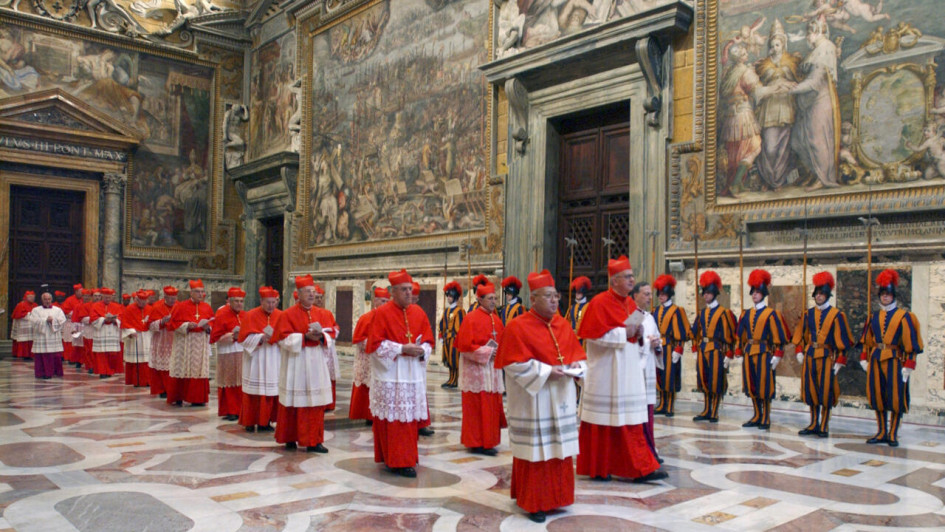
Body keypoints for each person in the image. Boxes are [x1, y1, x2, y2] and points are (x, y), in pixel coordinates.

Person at [495, 269, 586, 523]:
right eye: (548, 296)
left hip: (561, 396)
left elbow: (578, 356)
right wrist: (546, 371)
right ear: (533, 299)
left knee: (559, 448)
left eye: (556, 296)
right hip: (535, 400)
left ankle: (558, 498)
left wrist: (578, 370)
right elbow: (512, 364)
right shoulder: (517, 327)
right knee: (537, 451)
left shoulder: (562, 324)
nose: (555, 301)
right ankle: (534, 501)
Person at [576, 256, 665, 483]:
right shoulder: (599, 303)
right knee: (604, 423)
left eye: (632, 276)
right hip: (607, 372)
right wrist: (624, 333)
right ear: (614, 280)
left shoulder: (631, 305)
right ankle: (600, 467)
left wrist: (642, 336)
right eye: (628, 277)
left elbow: (637, 335)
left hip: (628, 372)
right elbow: (593, 336)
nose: (632, 280)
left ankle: (639, 467)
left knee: (630, 422)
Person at [367, 269, 434, 478]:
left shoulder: (419, 313)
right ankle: (395, 459)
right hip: (392, 375)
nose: (408, 293)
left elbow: (429, 341)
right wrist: (401, 349)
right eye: (403, 290)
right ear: (393, 291)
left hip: (412, 374)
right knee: (394, 422)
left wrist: (423, 349)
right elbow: (375, 346)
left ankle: (406, 458)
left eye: (410, 289)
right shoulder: (382, 313)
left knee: (408, 421)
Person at [859, 269, 923, 447]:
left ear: (893, 296)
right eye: (883, 295)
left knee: (895, 397)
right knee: (877, 396)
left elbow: (911, 344)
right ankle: (881, 431)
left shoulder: (905, 317)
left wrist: (909, 365)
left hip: (896, 361)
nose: (885, 298)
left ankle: (893, 433)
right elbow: (867, 340)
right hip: (877, 359)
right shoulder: (873, 317)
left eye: (888, 295)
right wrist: (864, 358)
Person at [272, 275, 333, 453]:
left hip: (315, 361)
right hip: (296, 362)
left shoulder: (322, 313)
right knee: (293, 401)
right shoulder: (288, 314)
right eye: (308, 292)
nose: (312, 295)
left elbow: (332, 334)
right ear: (298, 294)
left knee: (315, 402)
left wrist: (322, 336)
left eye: (313, 292)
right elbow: (281, 339)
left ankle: (314, 441)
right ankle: (290, 437)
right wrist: (304, 337)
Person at [793, 271, 853, 437]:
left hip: (827, 357)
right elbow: (800, 336)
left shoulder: (837, 315)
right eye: (817, 294)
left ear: (827, 295)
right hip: (810, 355)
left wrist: (840, 361)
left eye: (822, 294)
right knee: (810, 390)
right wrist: (799, 351)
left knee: (826, 391)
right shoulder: (808, 314)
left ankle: (824, 425)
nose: (819, 296)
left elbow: (843, 341)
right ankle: (813, 423)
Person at [788, 16, 841, 192]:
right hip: (809, 103)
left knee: (818, 141)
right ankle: (813, 172)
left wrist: (790, 89)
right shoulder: (816, 50)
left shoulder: (825, 49)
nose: (807, 38)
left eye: (809, 34)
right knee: (799, 140)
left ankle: (823, 177)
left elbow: (814, 82)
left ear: (817, 32)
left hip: (819, 101)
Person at [455, 282, 507, 456]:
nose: (493, 302)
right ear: (480, 299)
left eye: (495, 298)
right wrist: (487, 352)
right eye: (490, 298)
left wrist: (499, 352)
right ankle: (476, 442)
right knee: (477, 408)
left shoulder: (497, 319)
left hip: (492, 372)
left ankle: (489, 441)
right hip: (476, 372)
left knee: (491, 406)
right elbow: (464, 347)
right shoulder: (471, 318)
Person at [734, 269, 791, 430]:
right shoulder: (745, 314)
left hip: (764, 353)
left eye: (758, 292)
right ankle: (757, 414)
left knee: (764, 386)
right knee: (751, 386)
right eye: (753, 292)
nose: (754, 295)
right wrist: (739, 352)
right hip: (749, 352)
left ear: (763, 294)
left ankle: (766, 416)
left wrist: (778, 355)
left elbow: (779, 337)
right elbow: (741, 335)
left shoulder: (772, 314)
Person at [690, 271, 737, 422]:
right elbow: (695, 333)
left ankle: (714, 411)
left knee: (715, 381)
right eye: (704, 293)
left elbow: (730, 336)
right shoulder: (702, 313)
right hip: (703, 349)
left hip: (717, 350)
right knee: (703, 380)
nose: (705, 296)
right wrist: (694, 348)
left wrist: (729, 354)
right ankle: (706, 409)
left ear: (714, 294)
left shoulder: (724, 313)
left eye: (708, 293)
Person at [238, 286, 283, 433]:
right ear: (261, 301)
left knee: (270, 392)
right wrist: (260, 337)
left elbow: (286, 336)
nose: (271, 306)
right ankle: (250, 421)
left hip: (273, 357)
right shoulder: (251, 315)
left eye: (274, 302)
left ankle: (266, 421)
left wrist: (278, 339)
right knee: (254, 392)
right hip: (256, 358)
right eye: (268, 302)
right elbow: (243, 339)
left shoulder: (280, 315)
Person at [167, 280, 213, 407]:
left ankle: (197, 398)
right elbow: (173, 324)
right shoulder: (180, 306)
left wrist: (208, 328)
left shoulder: (207, 307)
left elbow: (213, 323)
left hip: (200, 342)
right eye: (197, 292)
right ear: (191, 293)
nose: (200, 294)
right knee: (181, 367)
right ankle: (179, 396)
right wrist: (187, 325)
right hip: (184, 342)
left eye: (202, 292)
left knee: (198, 369)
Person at [349, 287, 389, 424]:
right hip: (368, 358)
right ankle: (368, 415)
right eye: (383, 301)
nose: (385, 304)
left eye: (387, 301)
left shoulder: (390, 318)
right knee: (367, 384)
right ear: (375, 301)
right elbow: (359, 340)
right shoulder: (366, 318)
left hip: (384, 359)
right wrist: (376, 345)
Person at [632, 282, 662, 462]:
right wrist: (646, 344)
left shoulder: (650, 317)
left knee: (649, 410)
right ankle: (644, 450)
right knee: (641, 411)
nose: (650, 298)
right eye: (646, 294)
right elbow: (628, 343)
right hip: (637, 370)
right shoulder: (633, 317)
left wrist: (658, 343)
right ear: (635, 295)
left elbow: (657, 337)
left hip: (649, 368)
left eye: (650, 294)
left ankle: (651, 448)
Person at [653, 274, 690, 417]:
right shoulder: (656, 310)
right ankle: (661, 403)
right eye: (660, 293)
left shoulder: (677, 310)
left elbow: (681, 331)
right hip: (658, 346)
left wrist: (679, 349)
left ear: (669, 294)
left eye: (664, 293)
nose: (661, 296)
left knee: (670, 376)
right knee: (660, 376)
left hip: (670, 347)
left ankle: (669, 405)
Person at [210, 287, 246, 422]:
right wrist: (232, 335)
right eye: (236, 301)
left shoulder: (244, 315)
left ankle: (241, 409)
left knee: (241, 381)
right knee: (229, 381)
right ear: (229, 302)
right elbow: (215, 336)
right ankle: (231, 410)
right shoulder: (222, 314)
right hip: (227, 352)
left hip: (242, 351)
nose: (239, 304)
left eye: (241, 301)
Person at [410, 281, 435, 437]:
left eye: (415, 299)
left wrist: (423, 350)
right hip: (401, 363)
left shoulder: (419, 313)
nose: (412, 302)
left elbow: (428, 338)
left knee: (420, 392)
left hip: (417, 362)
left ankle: (421, 422)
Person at [312, 284, 339, 411]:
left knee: (328, 376)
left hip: (327, 348)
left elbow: (336, 328)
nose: (319, 300)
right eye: (316, 297)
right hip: (315, 349)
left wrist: (326, 333)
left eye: (320, 298)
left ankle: (328, 403)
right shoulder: (309, 313)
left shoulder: (328, 313)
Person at [147, 286, 178, 397]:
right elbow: (150, 325)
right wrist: (161, 321)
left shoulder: (179, 306)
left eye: (174, 298)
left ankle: (173, 389)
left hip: (175, 339)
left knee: (173, 366)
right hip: (161, 340)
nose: (172, 300)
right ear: (165, 297)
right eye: (170, 298)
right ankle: (162, 389)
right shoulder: (157, 307)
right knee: (162, 367)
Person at [28, 292, 66, 379]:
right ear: (42, 300)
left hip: (53, 336)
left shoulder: (57, 310)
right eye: (45, 299)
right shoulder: (36, 310)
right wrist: (45, 320)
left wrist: (53, 321)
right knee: (42, 355)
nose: (47, 301)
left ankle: (55, 372)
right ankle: (42, 373)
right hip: (42, 337)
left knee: (55, 355)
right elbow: (33, 321)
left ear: (51, 300)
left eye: (49, 299)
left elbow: (62, 320)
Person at [90, 288, 124, 378]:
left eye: (109, 298)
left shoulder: (117, 306)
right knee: (101, 354)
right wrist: (104, 319)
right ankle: (102, 371)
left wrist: (114, 320)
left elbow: (121, 317)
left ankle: (110, 371)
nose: (107, 300)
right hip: (101, 331)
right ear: (102, 297)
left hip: (112, 331)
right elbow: (93, 318)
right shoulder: (95, 306)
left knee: (111, 354)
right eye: (106, 297)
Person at [120, 290, 152, 387]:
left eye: (144, 301)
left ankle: (147, 381)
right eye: (140, 301)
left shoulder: (150, 309)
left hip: (147, 336)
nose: (142, 303)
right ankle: (136, 381)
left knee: (147, 360)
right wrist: (130, 332)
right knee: (135, 361)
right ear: (136, 300)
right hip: (135, 337)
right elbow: (125, 323)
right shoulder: (129, 309)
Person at [438, 281, 465, 388]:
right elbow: (441, 324)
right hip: (447, 338)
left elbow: (461, 327)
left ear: (455, 297)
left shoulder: (460, 311)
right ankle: (450, 378)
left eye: (450, 296)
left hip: (455, 338)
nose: (448, 298)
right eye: (447, 296)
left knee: (454, 360)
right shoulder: (446, 310)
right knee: (448, 360)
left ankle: (455, 380)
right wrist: (441, 335)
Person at [565, 276, 592, 346]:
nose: (577, 294)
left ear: (584, 293)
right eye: (576, 292)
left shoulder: (589, 307)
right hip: (572, 339)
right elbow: (566, 322)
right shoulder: (572, 307)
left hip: (584, 340)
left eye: (579, 293)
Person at [11, 291, 37, 360]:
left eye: (33, 297)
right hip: (23, 326)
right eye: (31, 297)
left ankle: (30, 354)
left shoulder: (35, 305)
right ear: (26, 297)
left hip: (32, 327)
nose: (32, 299)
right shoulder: (20, 305)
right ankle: (22, 354)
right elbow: (18, 315)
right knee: (24, 341)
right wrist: (28, 314)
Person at [70, 289, 92, 371]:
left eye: (88, 296)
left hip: (88, 327)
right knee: (79, 346)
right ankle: (78, 361)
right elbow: (75, 318)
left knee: (87, 347)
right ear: (82, 297)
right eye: (85, 296)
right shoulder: (77, 306)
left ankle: (88, 363)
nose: (86, 297)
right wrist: (74, 328)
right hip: (79, 326)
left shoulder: (92, 305)